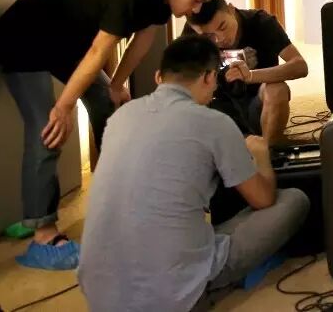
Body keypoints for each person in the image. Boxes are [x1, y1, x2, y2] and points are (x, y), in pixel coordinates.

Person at [0, 0, 233, 270]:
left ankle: (114, 197)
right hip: (23, 36)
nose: (196, 9)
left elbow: (141, 43)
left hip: (63, 44)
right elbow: (100, 49)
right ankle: (42, 234)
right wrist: (64, 106)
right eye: (197, 0)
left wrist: (115, 86)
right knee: (49, 126)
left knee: (108, 104)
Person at [78, 33, 309, 312]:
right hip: (171, 294)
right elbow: (263, 199)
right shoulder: (215, 122)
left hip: (97, 292)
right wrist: (261, 156)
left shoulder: (119, 118)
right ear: (210, 78)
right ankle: (212, 284)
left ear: (158, 77)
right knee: (294, 200)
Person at [185, 0, 309, 144]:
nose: (220, 39)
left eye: (223, 27)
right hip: (218, 110)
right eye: (208, 36)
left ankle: (268, 150)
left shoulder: (261, 22)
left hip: (259, 105)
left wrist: (250, 76)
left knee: (277, 89)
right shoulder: (192, 35)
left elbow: (300, 66)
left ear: (231, 9)